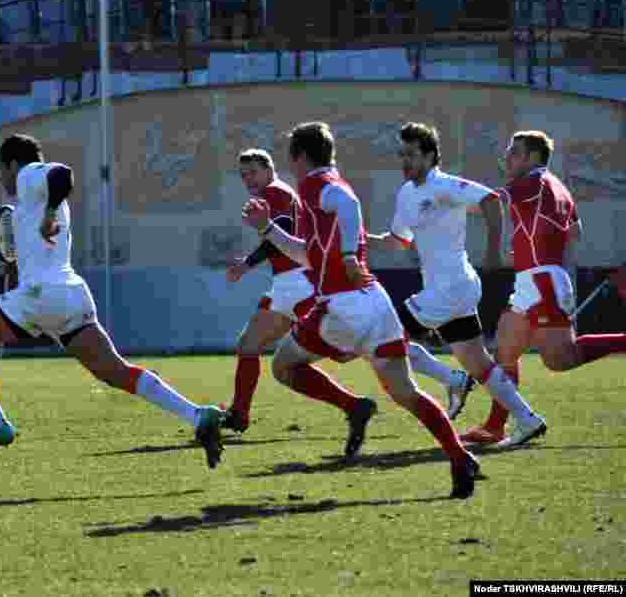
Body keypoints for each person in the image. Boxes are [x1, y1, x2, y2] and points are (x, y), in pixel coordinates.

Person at [0, 134, 226, 468]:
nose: (0, 178)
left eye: (0, 170)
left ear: (11, 164)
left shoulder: (28, 175)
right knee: (115, 371)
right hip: (70, 295)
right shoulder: (30, 201)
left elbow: (63, 173)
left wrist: (49, 213)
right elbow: (25, 253)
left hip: (40, 297)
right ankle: (198, 415)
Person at [242, 122, 480, 499]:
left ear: (300, 157)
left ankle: (354, 407)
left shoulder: (316, 184)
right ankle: (458, 456)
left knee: (283, 365)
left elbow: (347, 205)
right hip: (374, 301)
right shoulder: (325, 184)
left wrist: (350, 252)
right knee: (406, 392)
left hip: (341, 305)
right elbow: (308, 253)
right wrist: (268, 228)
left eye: (292, 156)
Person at [366, 123, 546, 446]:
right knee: (479, 363)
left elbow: (491, 200)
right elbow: (398, 241)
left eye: (412, 155)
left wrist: (492, 250)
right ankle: (528, 419)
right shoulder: (406, 194)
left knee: (383, 338)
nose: (405, 161)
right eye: (401, 155)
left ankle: (452, 380)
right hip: (448, 292)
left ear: (431, 156)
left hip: (451, 289)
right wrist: (361, 240)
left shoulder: (445, 185)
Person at [464, 131, 626, 446]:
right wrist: (530, 249)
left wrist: (446, 201)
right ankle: (495, 426)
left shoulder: (532, 182)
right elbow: (574, 231)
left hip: (542, 281)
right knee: (505, 351)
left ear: (533, 157)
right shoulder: (559, 187)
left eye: (514, 152)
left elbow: (489, 203)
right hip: (537, 278)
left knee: (560, 359)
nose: (507, 158)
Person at [222, 148, 317, 434]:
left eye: (252, 172)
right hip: (288, 284)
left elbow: (279, 231)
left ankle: (354, 406)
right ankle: (238, 414)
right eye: (243, 175)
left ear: (269, 169)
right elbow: (277, 232)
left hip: (299, 281)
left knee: (357, 343)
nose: (248, 179)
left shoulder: (274, 192)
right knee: (248, 345)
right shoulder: (277, 193)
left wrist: (246, 265)